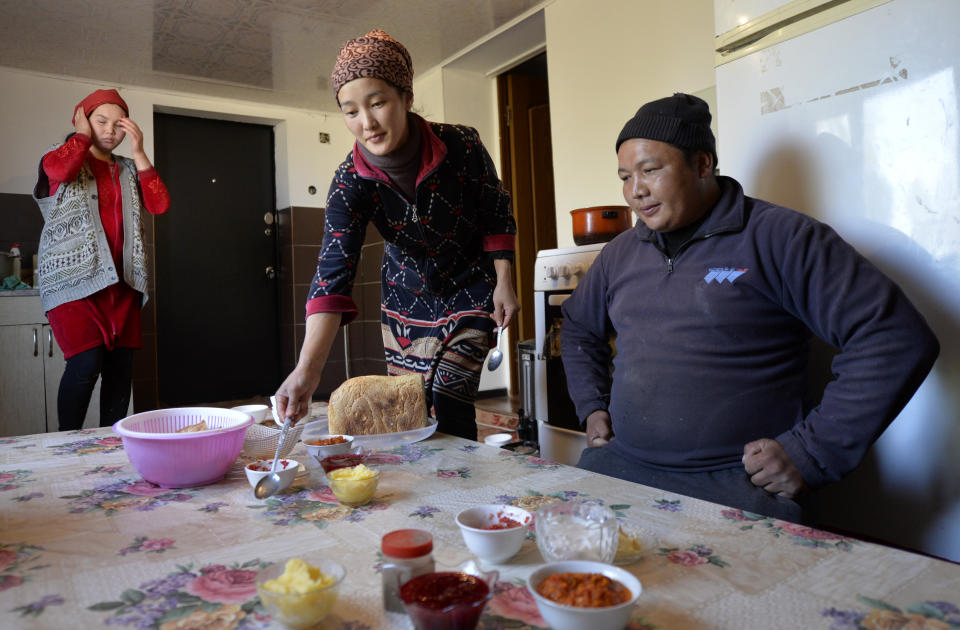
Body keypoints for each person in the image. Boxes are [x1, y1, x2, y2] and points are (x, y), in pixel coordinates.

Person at [561, 93, 939, 523]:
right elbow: (576, 327)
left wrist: (812, 451)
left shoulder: (783, 238)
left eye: (650, 170)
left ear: (703, 165)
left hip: (735, 487)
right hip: (620, 468)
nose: (636, 191)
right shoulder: (620, 253)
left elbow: (894, 336)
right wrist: (591, 405)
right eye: (625, 177)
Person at [274, 30, 519, 439]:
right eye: (350, 111)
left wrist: (505, 283)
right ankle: (423, 495)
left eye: (378, 103)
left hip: (470, 283)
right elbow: (332, 274)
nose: (366, 123)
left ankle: (459, 486)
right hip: (406, 296)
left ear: (405, 96)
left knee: (449, 396)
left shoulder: (461, 144)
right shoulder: (349, 181)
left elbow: (496, 212)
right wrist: (307, 370)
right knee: (411, 408)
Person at [33, 89, 170, 431]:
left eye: (119, 124)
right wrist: (80, 134)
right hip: (73, 284)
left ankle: (111, 447)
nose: (110, 131)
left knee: (119, 372)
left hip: (123, 286)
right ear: (82, 119)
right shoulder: (58, 158)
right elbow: (63, 171)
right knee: (85, 363)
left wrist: (138, 153)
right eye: (100, 121)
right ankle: (66, 444)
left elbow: (160, 205)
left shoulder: (127, 168)